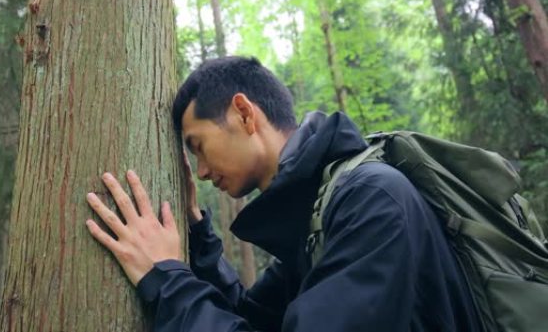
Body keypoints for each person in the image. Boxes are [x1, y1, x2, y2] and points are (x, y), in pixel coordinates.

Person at [84, 56, 482, 331]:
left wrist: (167, 279)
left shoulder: (371, 198)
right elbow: (247, 316)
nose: (201, 172)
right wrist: (197, 235)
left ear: (244, 113)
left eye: (199, 146)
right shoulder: (315, 225)